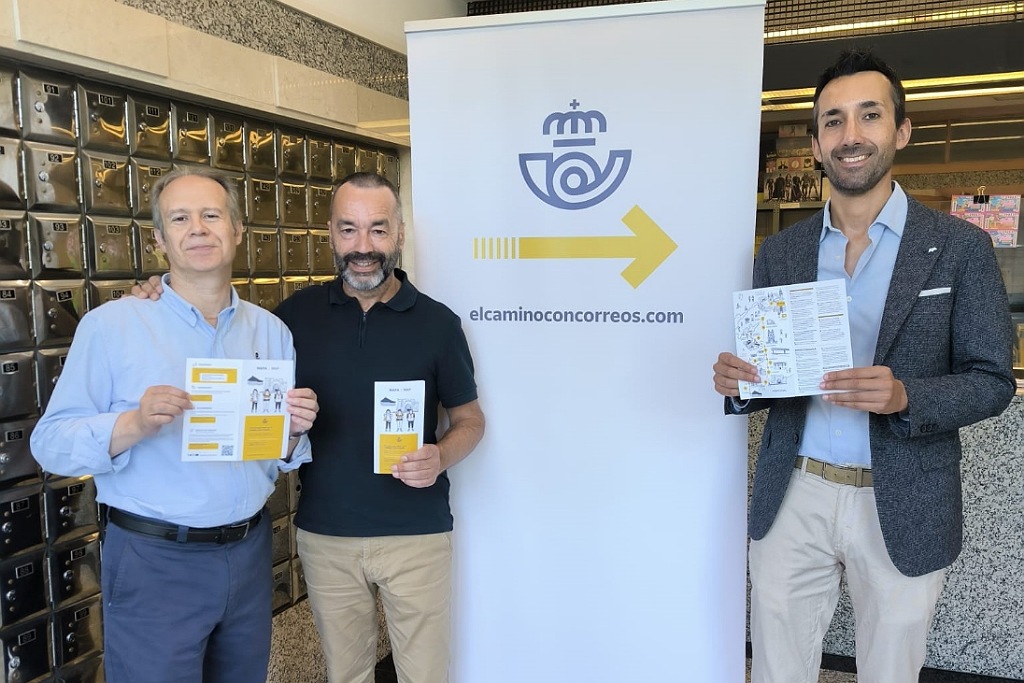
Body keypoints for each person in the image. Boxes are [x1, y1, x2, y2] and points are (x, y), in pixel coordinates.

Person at [712, 50, 1015, 683]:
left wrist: (908, 396)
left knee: (890, 672)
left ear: (901, 131)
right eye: (833, 120)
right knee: (776, 670)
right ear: (817, 146)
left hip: (903, 496)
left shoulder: (960, 247)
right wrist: (742, 385)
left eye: (869, 115)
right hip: (794, 493)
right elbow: (772, 375)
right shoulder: (782, 251)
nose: (850, 135)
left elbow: (992, 381)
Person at [132, 172, 486, 683]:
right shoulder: (290, 319)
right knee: (346, 674)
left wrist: (441, 456)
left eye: (378, 229)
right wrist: (158, 292)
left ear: (400, 234)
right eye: (348, 229)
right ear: (330, 234)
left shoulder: (438, 323)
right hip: (325, 534)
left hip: (417, 535)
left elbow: (470, 420)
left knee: (425, 675)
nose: (363, 247)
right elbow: (219, 337)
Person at [31, 167, 320, 683]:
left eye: (212, 215)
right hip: (155, 560)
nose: (199, 229)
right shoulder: (113, 326)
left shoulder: (271, 331)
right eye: (180, 218)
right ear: (161, 239)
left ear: (237, 229)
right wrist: (134, 423)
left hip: (249, 552)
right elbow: (50, 443)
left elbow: (275, 452)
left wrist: (294, 430)